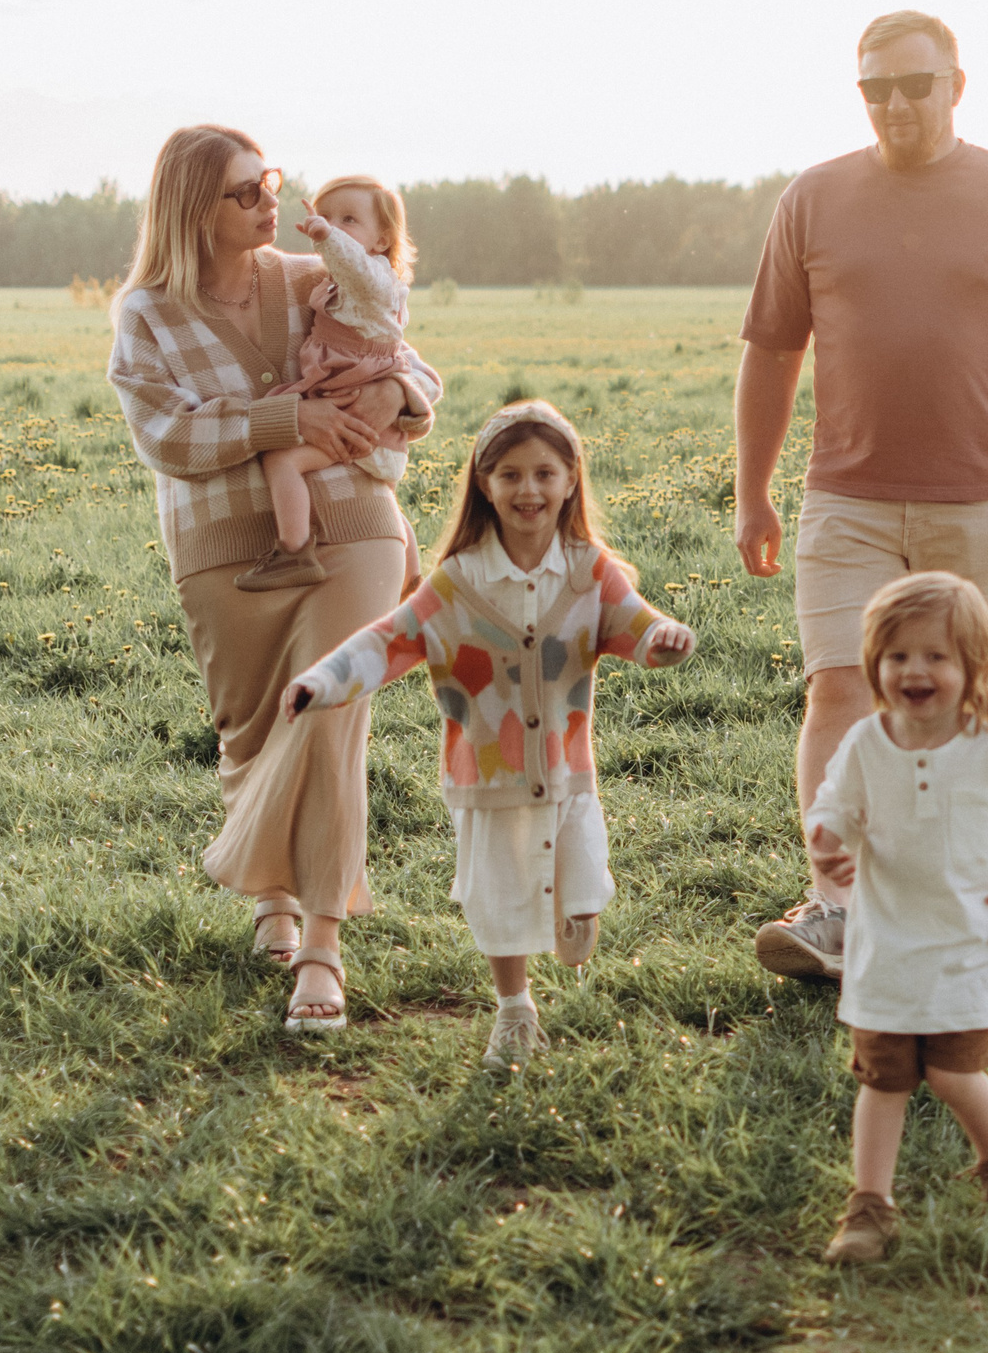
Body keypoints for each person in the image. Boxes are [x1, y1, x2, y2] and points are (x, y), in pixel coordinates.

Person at [739, 9, 988, 983]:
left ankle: (955, 903)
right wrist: (752, 491)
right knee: (838, 687)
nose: (894, 104)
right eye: (874, 88)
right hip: (846, 495)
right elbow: (771, 351)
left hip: (979, 499)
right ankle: (836, 908)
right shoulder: (812, 198)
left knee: (959, 701)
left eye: (913, 84)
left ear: (955, 87)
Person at [108, 124, 440, 1030]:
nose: (270, 202)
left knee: (329, 714)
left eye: (271, 182)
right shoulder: (146, 314)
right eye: (246, 191)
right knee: (253, 729)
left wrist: (397, 395)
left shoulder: (309, 276)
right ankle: (272, 896)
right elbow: (166, 434)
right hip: (221, 544)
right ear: (193, 210)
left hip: (356, 525)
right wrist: (281, 421)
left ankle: (323, 946)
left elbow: (410, 361)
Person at [281, 402, 694, 1055]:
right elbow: (385, 641)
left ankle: (573, 912)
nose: (528, 490)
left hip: (567, 771)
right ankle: (514, 1008)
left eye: (544, 474)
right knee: (499, 905)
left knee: (584, 883)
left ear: (570, 480)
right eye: (510, 475)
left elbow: (637, 626)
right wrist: (321, 683)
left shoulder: (589, 571)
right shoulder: (458, 584)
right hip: (487, 778)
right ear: (484, 483)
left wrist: (664, 639)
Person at [803, 572, 988, 1263]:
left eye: (935, 656)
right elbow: (831, 808)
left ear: (973, 666)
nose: (914, 670)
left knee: (952, 1074)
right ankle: (870, 1207)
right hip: (886, 948)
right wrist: (826, 843)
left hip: (968, 944)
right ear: (874, 663)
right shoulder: (866, 742)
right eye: (897, 656)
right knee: (883, 1079)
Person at [241, 175, 427, 593]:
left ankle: (293, 551)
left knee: (282, 460)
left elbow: (355, 266)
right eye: (325, 215)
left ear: (382, 240)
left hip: (357, 412)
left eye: (349, 219)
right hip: (357, 412)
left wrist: (326, 236)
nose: (332, 226)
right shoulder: (348, 283)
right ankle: (412, 580)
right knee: (383, 496)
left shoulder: (374, 282)